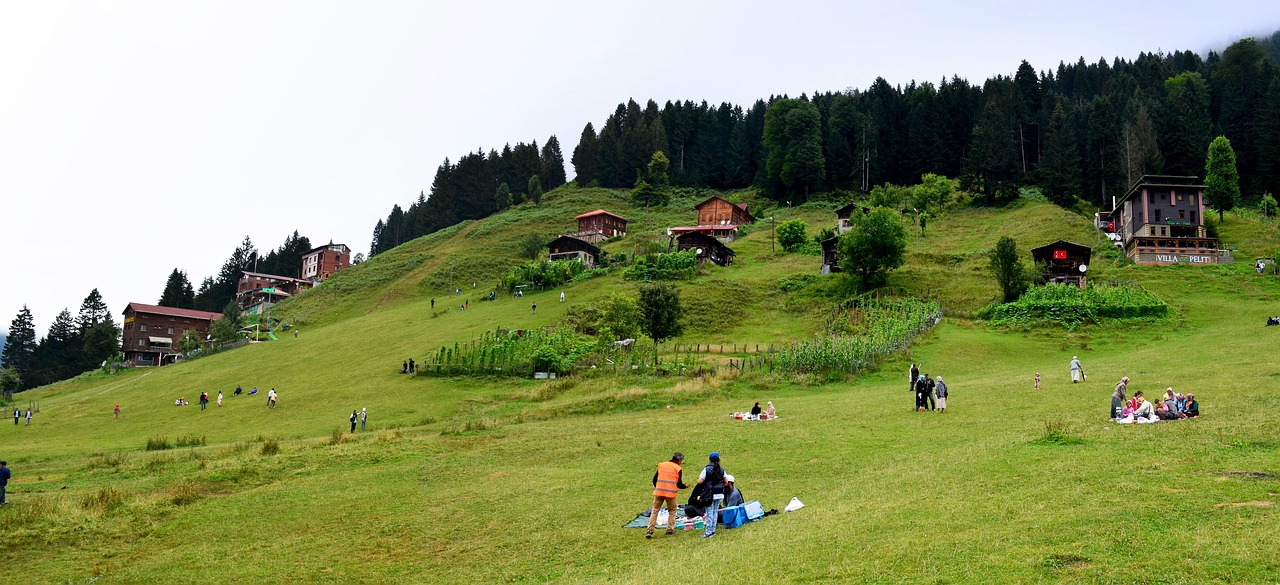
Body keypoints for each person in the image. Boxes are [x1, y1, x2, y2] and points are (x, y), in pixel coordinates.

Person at [646, 452, 688, 538]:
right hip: (670, 493)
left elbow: (654, 479)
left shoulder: (661, 465)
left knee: (655, 510)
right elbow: (679, 484)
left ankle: (650, 530)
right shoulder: (677, 468)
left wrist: (657, 487)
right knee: (672, 511)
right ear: (679, 460)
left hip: (659, 492)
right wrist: (685, 486)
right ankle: (670, 529)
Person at [697, 452, 727, 539]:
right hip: (720, 493)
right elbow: (726, 482)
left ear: (709, 459)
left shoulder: (706, 469)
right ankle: (713, 530)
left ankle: (708, 532)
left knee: (709, 512)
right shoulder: (722, 470)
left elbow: (700, 481)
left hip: (709, 494)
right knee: (715, 512)